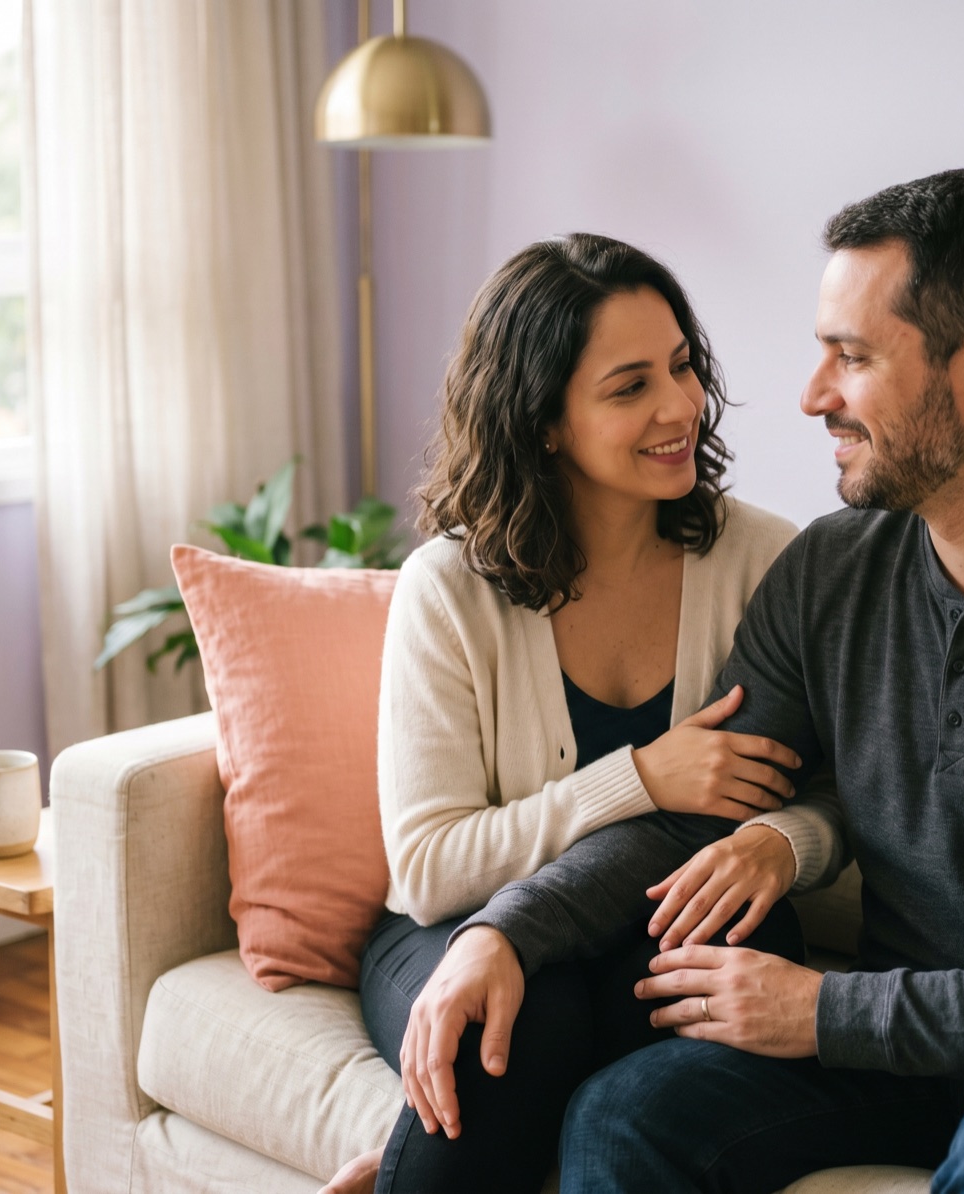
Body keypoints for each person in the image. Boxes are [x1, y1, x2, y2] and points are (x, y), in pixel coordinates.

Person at [398, 170, 964, 1194]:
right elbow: (707, 810)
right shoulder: (831, 570)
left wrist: (821, 1012)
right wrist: (505, 930)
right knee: (628, 1113)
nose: (811, 393)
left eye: (851, 357)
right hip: (909, 1035)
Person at [319, 233, 845, 1194]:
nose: (680, 406)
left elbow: (826, 794)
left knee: (661, 1014)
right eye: (630, 386)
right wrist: (641, 777)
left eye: (683, 366)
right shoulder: (449, 588)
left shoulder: (764, 562)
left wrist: (780, 841)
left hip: (653, 925)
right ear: (545, 421)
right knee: (518, 1028)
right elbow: (431, 869)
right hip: (453, 930)